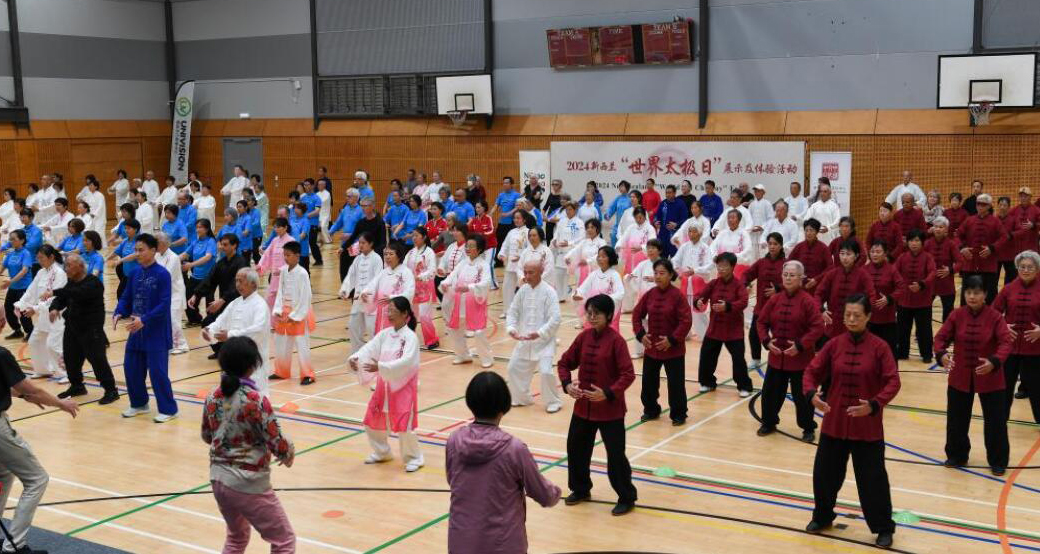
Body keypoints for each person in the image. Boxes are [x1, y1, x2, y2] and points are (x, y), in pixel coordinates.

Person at [803, 294, 899, 548]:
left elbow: (893, 381)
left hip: (867, 428)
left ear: (868, 316)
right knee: (824, 475)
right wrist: (812, 394)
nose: (852, 319)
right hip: (834, 423)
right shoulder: (833, 344)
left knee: (873, 480)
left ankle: (883, 528)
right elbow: (811, 371)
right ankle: (822, 517)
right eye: (848, 315)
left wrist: (874, 404)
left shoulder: (880, 347)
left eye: (857, 315)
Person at [446, 371, 561, 554]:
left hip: (461, 542)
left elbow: (452, 479)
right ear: (504, 405)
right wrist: (556, 491)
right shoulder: (514, 449)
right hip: (503, 545)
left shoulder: (454, 440)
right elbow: (544, 495)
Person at [202, 336, 296, 554]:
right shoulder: (256, 400)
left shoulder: (212, 397)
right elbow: (277, 442)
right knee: (284, 541)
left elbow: (207, 435)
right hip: (247, 481)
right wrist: (287, 451)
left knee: (236, 537)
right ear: (252, 366)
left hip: (218, 479)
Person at [0, 327, 79, 554]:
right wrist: (61, 403)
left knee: (4, 473)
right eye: (2, 319)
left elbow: (11, 387)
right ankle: (14, 546)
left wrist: (24, 395)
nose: (5, 323)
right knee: (37, 479)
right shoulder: (2, 355)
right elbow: (28, 387)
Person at [558, 294, 638, 516]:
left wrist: (608, 393)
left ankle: (626, 496)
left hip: (611, 411)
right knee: (576, 449)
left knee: (616, 456)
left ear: (609, 316)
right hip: (583, 408)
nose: (592, 317)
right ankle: (581, 489)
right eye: (589, 313)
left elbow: (628, 374)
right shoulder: (583, 337)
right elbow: (565, 362)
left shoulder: (617, 342)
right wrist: (566, 385)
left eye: (597, 314)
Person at [934, 276, 1012, 475]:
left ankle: (998, 460)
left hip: (991, 376)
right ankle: (956, 455)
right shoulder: (956, 315)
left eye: (977, 292)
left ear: (985, 294)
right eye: (968, 292)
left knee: (995, 421)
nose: (972, 296)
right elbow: (941, 338)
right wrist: (941, 354)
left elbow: (1005, 343)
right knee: (956, 419)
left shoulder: (995, 317)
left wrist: (994, 362)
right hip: (960, 376)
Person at [350, 296, 425, 472]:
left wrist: (381, 366)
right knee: (371, 420)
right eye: (388, 310)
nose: (389, 314)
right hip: (384, 386)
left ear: (405, 313)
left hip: (402, 387)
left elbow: (407, 362)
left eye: (393, 310)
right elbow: (369, 349)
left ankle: (415, 457)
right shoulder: (385, 334)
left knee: (405, 426)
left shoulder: (411, 338)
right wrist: (356, 359)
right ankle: (382, 452)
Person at [752, 258, 824, 441]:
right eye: (785, 275)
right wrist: (766, 341)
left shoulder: (808, 301)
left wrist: (800, 346)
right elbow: (761, 322)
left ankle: (808, 428)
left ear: (801, 278)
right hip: (777, 359)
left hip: (801, 361)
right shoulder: (775, 299)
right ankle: (768, 422)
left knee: (803, 398)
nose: (788, 278)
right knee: (770, 394)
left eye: (792, 275)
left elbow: (817, 328)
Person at [115, 233, 178, 423]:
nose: (137, 254)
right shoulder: (134, 273)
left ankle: (169, 409)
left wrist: (145, 319)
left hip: (156, 331)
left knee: (158, 372)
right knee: (131, 368)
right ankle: (139, 403)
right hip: (136, 330)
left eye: (141, 250)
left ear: (153, 250)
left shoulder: (162, 274)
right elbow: (126, 296)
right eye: (136, 250)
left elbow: (164, 304)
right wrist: (118, 311)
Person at [47, 253, 119, 402]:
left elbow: (77, 293)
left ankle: (111, 390)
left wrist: (54, 291)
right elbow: (62, 299)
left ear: (80, 266)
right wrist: (54, 308)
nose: (66, 269)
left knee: (97, 360)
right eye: (65, 266)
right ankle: (77, 386)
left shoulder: (93, 283)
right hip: (72, 327)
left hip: (90, 329)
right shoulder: (71, 282)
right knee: (70, 358)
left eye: (69, 266)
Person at [633, 259, 692, 426]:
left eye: (662, 273)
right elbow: (637, 315)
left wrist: (672, 340)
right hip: (652, 349)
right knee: (648, 384)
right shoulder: (650, 294)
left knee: (676, 385)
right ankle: (651, 410)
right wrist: (640, 334)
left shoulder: (678, 296)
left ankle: (679, 414)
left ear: (671, 275)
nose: (658, 276)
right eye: (656, 273)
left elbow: (686, 322)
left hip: (674, 350)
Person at [204, 268, 272, 397]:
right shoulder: (235, 303)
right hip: (233, 359)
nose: (238, 285)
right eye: (236, 281)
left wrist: (230, 335)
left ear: (253, 283)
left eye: (241, 281)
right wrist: (210, 331)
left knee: (256, 394)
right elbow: (221, 321)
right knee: (231, 395)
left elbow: (257, 331)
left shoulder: (260, 305)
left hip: (252, 359)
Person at [693, 252, 753, 396]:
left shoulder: (739, 285)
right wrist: (699, 301)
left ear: (732, 267)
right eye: (719, 266)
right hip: (714, 328)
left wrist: (728, 307)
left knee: (738, 359)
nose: (721, 269)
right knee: (707, 355)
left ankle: (744, 386)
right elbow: (700, 295)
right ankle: (707, 382)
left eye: (724, 266)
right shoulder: (713, 283)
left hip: (734, 330)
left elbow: (743, 302)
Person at [506, 260, 562, 413]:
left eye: (531, 272)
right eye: (525, 272)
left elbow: (555, 318)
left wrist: (540, 333)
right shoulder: (522, 291)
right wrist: (511, 328)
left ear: (540, 272)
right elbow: (513, 312)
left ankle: (554, 401)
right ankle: (522, 398)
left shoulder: (550, 292)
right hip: (525, 340)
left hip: (544, 341)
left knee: (545, 372)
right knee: (513, 368)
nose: (527, 276)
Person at [992, 250, 1040, 423]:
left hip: (1035, 349)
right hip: (1009, 348)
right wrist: (1003, 326)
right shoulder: (1008, 288)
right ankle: (1000, 419)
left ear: (1037, 269)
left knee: (1036, 387)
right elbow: (993, 313)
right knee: (1004, 386)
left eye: (1030, 267)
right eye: (1022, 267)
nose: (1026, 270)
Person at [189, 234, 248, 358]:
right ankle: (220, 351)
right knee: (207, 323)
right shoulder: (221, 263)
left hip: (239, 304)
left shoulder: (241, 262)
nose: (222, 247)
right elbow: (209, 280)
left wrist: (222, 300)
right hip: (223, 302)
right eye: (221, 244)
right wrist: (196, 295)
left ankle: (233, 354)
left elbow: (237, 286)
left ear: (234, 245)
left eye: (225, 245)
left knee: (233, 330)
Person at [15, 245, 67, 381]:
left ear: (51, 257)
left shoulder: (59, 273)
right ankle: (43, 370)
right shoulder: (41, 272)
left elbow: (55, 298)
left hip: (56, 315)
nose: (39, 261)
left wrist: (35, 308)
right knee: (35, 341)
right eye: (37, 258)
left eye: (41, 258)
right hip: (42, 316)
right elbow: (31, 291)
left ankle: (66, 374)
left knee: (54, 345)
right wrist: (20, 304)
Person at [440, 236, 494, 367]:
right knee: (454, 330)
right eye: (467, 246)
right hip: (460, 303)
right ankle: (463, 355)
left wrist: (469, 287)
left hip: (475, 303)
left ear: (479, 249)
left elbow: (486, 283)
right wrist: (445, 283)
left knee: (479, 332)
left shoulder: (483, 265)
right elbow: (452, 276)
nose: (468, 249)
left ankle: (487, 358)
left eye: (471, 246)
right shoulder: (463, 263)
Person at [271, 241, 316, 385]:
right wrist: (278, 309)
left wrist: (295, 315)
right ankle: (282, 371)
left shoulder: (302, 273)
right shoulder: (283, 270)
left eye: (288, 255)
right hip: (284, 312)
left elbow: (306, 296)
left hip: (299, 314)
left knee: (302, 345)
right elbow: (280, 291)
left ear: (297, 256)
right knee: (282, 344)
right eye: (284, 255)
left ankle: (307, 374)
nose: (285, 258)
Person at [815, 240, 876, 344]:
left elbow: (872, 296)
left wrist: (861, 315)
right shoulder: (832, 274)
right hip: (833, 325)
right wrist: (821, 310)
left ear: (856, 256)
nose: (844, 257)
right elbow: (818, 294)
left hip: (855, 325)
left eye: (848, 254)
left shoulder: (863, 275)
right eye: (842, 254)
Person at [743, 233, 787, 371]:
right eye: (770, 244)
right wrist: (745, 284)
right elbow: (746, 274)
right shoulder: (761, 262)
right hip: (761, 307)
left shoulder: (786, 264)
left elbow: (794, 282)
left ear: (781, 246)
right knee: (754, 334)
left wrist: (778, 289)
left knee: (780, 335)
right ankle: (756, 359)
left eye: (775, 244)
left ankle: (782, 359)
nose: (772, 246)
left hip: (779, 308)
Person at [893, 229, 936, 363]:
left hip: (923, 302)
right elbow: (894, 273)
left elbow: (933, 273)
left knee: (924, 330)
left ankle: (927, 354)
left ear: (922, 242)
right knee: (902, 329)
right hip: (904, 301)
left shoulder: (928, 257)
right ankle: (902, 352)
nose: (914, 243)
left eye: (917, 240)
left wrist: (922, 284)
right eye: (911, 240)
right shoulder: (902, 257)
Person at [957, 193, 1006, 304]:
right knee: (966, 295)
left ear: (989, 206)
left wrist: (992, 248)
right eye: (978, 204)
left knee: (990, 295)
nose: (980, 206)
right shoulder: (969, 220)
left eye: (983, 204)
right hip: (970, 263)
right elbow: (957, 236)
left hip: (988, 265)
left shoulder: (995, 221)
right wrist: (962, 248)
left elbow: (1004, 237)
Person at [341, 233, 383, 356]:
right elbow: (351, 276)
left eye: (363, 243)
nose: (360, 245)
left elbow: (377, 279)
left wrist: (367, 292)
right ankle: (358, 354)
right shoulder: (358, 259)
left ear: (371, 244)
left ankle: (376, 355)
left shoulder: (377, 259)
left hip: (371, 301)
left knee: (372, 329)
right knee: (353, 326)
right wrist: (345, 290)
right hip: (358, 301)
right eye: (359, 243)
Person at [362, 241, 415, 337]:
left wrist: (392, 298)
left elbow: (409, 292)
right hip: (382, 313)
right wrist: (365, 292)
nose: (387, 257)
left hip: (397, 313)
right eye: (385, 254)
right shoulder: (384, 272)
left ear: (399, 255)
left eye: (391, 254)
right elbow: (372, 285)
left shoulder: (406, 272)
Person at [863, 241, 903, 358]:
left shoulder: (892, 270)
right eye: (872, 252)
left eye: (878, 252)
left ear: (885, 253)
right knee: (868, 354)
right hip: (867, 320)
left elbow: (901, 287)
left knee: (889, 354)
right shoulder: (863, 269)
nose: (874, 255)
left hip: (887, 320)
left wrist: (890, 298)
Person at [673, 224, 713, 340]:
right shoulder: (684, 247)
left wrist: (695, 271)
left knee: (698, 311)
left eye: (694, 232)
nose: (692, 234)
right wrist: (678, 272)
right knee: (684, 310)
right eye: (690, 232)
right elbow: (676, 260)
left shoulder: (705, 248)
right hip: (686, 283)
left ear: (700, 233)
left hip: (698, 283)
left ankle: (705, 335)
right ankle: (686, 333)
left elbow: (710, 265)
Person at [573, 246, 625, 332]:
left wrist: (604, 300)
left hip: (608, 311)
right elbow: (582, 289)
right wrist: (577, 295)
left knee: (608, 338)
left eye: (603, 256)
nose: (600, 259)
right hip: (594, 310)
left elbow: (620, 293)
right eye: (599, 256)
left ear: (610, 258)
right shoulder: (594, 274)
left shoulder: (615, 275)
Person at [404, 227, 439, 349]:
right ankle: (409, 339)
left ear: (424, 237)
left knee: (424, 315)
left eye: (416, 236)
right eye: (413, 236)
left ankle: (432, 340)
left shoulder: (429, 252)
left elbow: (432, 270)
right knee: (410, 315)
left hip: (425, 288)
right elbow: (403, 268)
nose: (414, 238)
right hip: (412, 288)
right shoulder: (411, 253)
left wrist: (420, 277)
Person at [156, 232, 190, 355]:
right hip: (164, 293)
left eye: (157, 243)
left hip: (175, 293)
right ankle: (169, 343)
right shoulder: (157, 255)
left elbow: (166, 275)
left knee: (174, 319)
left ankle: (182, 345)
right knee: (164, 319)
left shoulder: (174, 257)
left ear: (164, 243)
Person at [924, 216, 961, 322]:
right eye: (936, 226)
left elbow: (960, 262)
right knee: (924, 311)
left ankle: (947, 335)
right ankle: (921, 336)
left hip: (946, 283)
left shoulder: (951, 244)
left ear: (946, 229)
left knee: (948, 311)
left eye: (941, 227)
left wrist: (950, 270)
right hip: (930, 283)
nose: (938, 229)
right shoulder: (927, 244)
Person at [182, 220, 219, 326]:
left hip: (208, 278)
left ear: (207, 229)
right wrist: (171, 258)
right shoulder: (195, 241)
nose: (198, 229)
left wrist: (191, 265)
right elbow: (185, 254)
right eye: (197, 227)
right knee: (188, 299)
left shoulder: (211, 241)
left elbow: (207, 257)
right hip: (195, 277)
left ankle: (211, 322)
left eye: (200, 227)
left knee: (209, 301)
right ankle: (195, 319)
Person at [1, 229, 34, 341]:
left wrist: (11, 281)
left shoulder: (26, 253)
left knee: (22, 310)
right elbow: (3, 267)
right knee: (8, 309)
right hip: (13, 287)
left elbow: (24, 270)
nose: (11, 241)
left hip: (24, 287)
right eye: (10, 239)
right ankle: (17, 330)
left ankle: (30, 331)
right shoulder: (10, 253)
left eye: (13, 239)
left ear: (22, 240)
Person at [256, 217, 295, 309]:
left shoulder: (291, 241)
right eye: (274, 227)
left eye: (278, 227)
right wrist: (260, 266)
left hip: (287, 277)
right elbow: (267, 255)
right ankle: (272, 322)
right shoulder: (275, 241)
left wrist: (283, 270)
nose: (276, 229)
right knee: (270, 300)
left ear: (285, 228)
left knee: (285, 301)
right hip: (275, 277)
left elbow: (293, 260)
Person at [497, 210, 531, 315]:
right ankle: (507, 311)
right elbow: (505, 246)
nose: (516, 220)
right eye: (514, 218)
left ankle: (522, 312)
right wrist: (502, 255)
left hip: (522, 266)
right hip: (510, 265)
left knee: (523, 288)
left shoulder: (528, 232)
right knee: (507, 288)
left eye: (518, 218)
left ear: (524, 219)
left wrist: (520, 258)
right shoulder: (511, 232)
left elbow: (530, 249)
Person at [789, 218, 832, 291]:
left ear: (817, 232)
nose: (808, 233)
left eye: (811, 230)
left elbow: (830, 267)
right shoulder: (799, 247)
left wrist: (816, 279)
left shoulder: (823, 248)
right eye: (806, 230)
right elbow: (789, 263)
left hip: (817, 287)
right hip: (799, 286)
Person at [550, 202, 583, 295]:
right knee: (559, 274)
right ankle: (560, 295)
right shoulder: (561, 221)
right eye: (566, 210)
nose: (568, 211)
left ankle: (577, 293)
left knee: (575, 275)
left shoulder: (579, 223)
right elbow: (557, 233)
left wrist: (569, 243)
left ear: (575, 210)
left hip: (573, 253)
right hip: (561, 252)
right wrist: (554, 240)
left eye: (570, 209)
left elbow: (581, 237)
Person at [330, 188, 363, 281]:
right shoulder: (345, 209)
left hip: (355, 244)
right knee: (343, 267)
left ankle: (353, 291)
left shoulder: (360, 211)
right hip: (344, 243)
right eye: (346, 196)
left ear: (356, 198)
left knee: (353, 267)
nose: (346, 198)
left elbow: (363, 229)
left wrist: (351, 235)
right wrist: (330, 231)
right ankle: (344, 290)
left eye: (349, 196)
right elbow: (338, 223)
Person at [468, 199, 497, 288]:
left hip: (490, 247)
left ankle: (493, 285)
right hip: (480, 248)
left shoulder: (488, 218)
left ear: (484, 208)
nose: (477, 209)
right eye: (476, 207)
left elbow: (492, 230)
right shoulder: (473, 220)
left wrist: (481, 235)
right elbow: (470, 232)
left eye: (479, 207)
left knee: (489, 264)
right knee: (480, 266)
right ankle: (482, 283)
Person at [492, 176, 522, 262]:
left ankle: (511, 259)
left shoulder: (516, 195)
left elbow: (518, 207)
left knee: (511, 241)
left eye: (506, 183)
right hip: (502, 222)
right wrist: (491, 213)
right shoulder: (501, 195)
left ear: (511, 184)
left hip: (512, 223)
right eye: (503, 183)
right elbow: (496, 205)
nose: (504, 184)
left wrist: (508, 213)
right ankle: (498, 261)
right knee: (499, 241)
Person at [803, 180, 841, 244]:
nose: (822, 193)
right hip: (816, 236)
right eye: (821, 191)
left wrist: (828, 228)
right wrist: (812, 229)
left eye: (825, 192)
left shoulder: (834, 206)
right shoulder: (814, 206)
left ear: (829, 193)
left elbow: (838, 220)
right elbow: (806, 219)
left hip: (830, 236)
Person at [654, 185, 688, 257]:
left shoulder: (680, 204)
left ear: (674, 193)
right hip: (663, 236)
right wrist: (656, 222)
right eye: (666, 193)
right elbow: (657, 216)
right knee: (662, 260)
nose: (667, 195)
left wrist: (676, 225)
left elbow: (685, 219)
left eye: (670, 193)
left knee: (675, 260)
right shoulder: (663, 204)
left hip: (675, 236)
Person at [604, 181, 632, 246]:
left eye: (622, 186)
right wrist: (608, 214)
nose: (620, 188)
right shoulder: (618, 198)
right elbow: (611, 207)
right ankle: (615, 255)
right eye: (620, 186)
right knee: (613, 236)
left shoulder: (630, 198)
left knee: (625, 242)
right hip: (618, 224)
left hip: (627, 225)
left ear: (627, 188)